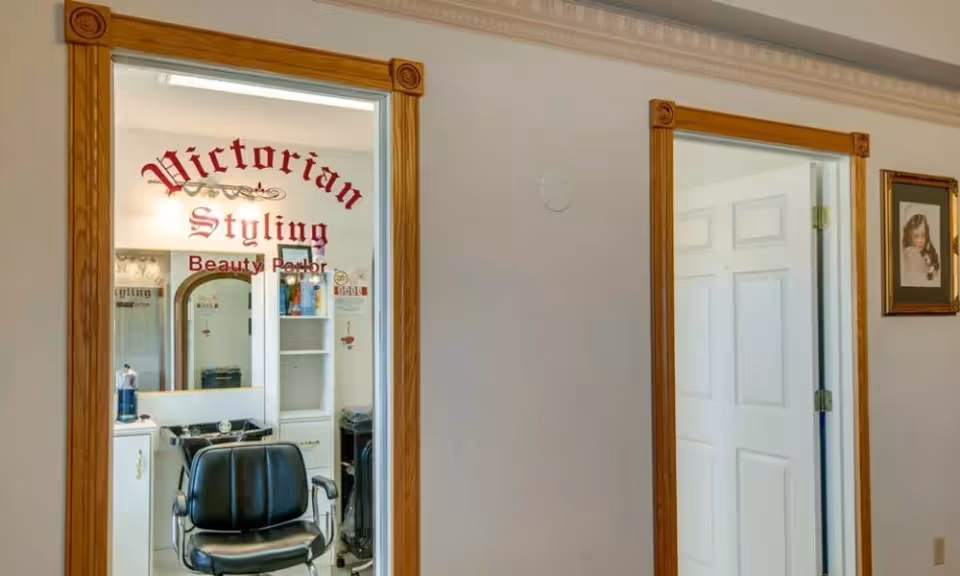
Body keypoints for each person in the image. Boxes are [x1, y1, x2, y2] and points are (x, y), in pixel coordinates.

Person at [901, 211, 940, 287]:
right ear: (910, 237)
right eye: (916, 236)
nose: (920, 240)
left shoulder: (929, 251)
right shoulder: (910, 251)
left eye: (923, 235)